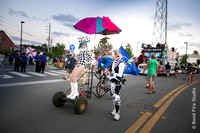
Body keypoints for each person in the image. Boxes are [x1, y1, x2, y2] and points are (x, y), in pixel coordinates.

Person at [104, 50, 125, 121]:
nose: (111, 55)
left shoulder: (121, 63)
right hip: (113, 80)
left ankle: (117, 113)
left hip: (119, 81)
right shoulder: (113, 62)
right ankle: (115, 109)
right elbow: (109, 68)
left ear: (117, 55)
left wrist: (111, 74)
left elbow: (119, 74)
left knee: (116, 96)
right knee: (112, 95)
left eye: (112, 54)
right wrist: (106, 70)